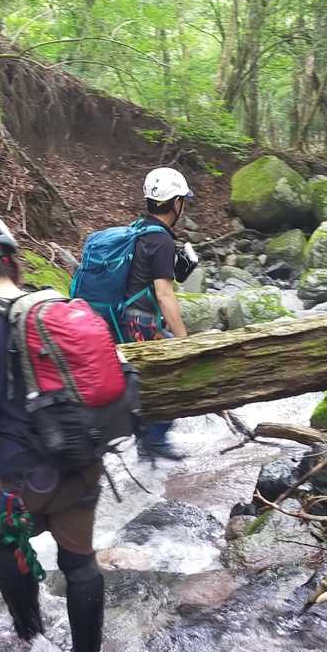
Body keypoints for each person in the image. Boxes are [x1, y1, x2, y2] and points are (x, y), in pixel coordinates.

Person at [0, 211, 105, 652]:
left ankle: (30, 639)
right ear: (14, 262)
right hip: (80, 458)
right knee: (79, 562)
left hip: (21, 475)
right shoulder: (55, 308)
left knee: (6, 543)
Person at [121, 167, 198, 461]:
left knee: (149, 380)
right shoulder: (161, 240)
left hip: (126, 319)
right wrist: (184, 342)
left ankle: (147, 443)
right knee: (176, 377)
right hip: (142, 322)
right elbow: (164, 295)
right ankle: (153, 441)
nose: (183, 206)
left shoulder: (140, 229)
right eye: (183, 201)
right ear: (176, 203)